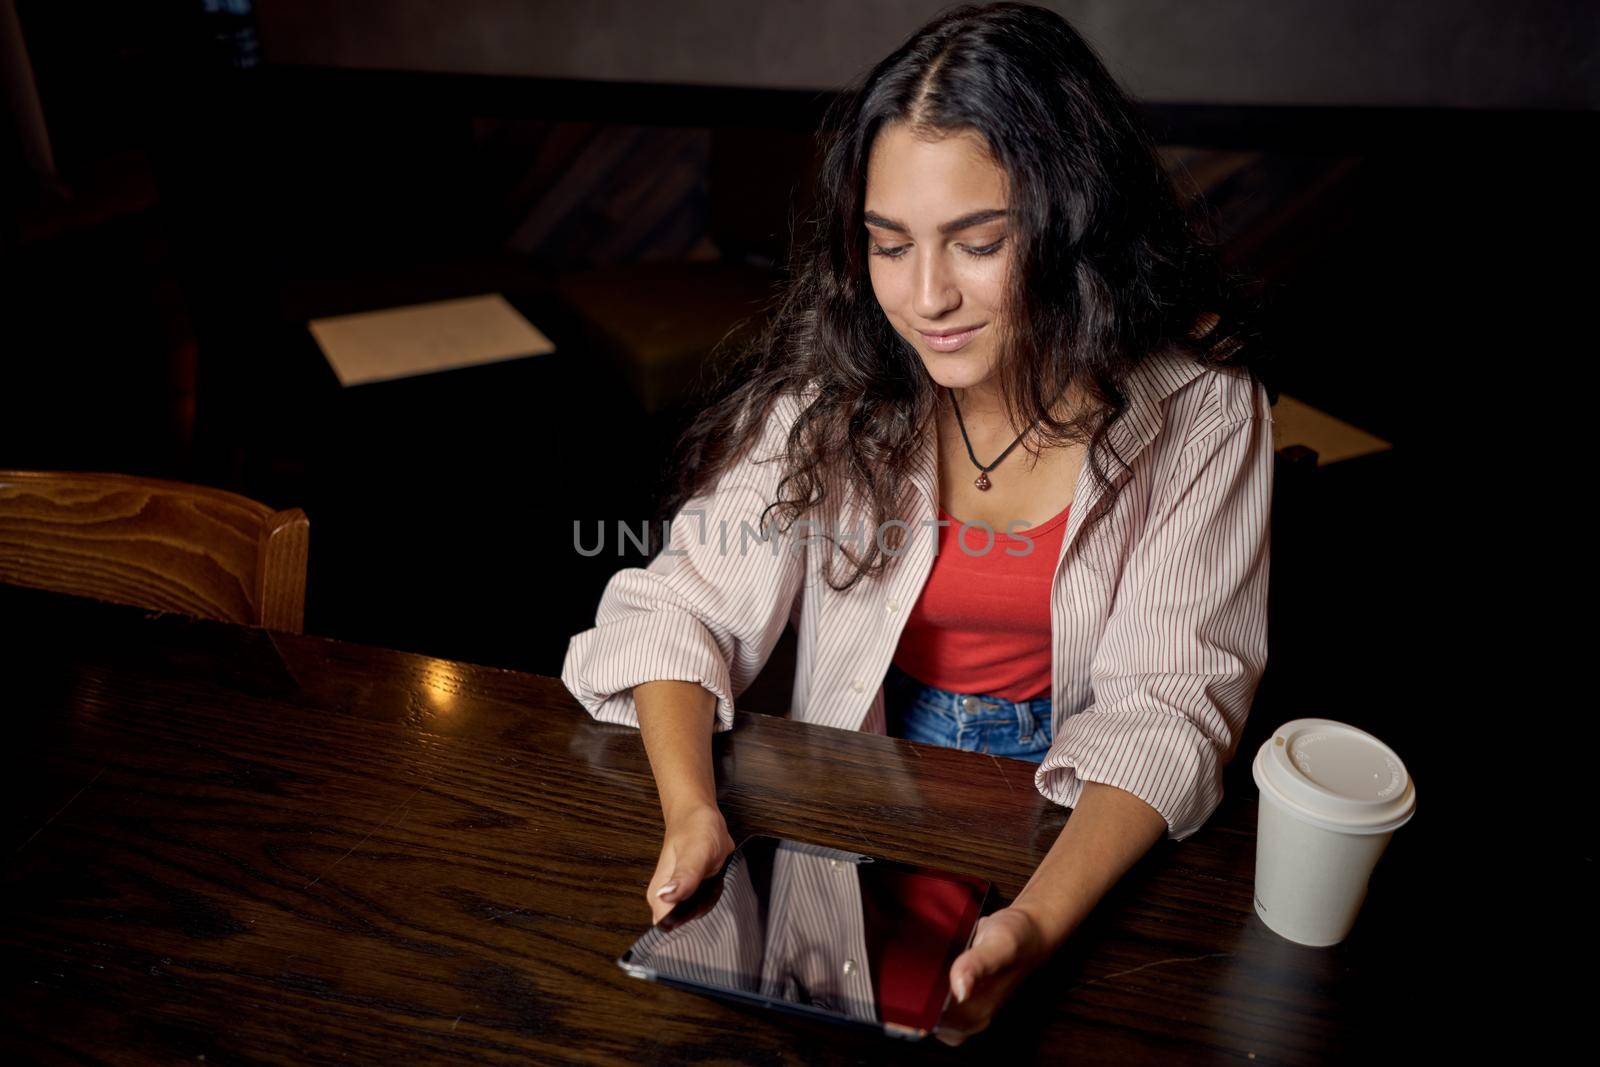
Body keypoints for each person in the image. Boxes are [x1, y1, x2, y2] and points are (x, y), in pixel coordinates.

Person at [562, 1, 1274, 1045]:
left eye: (978, 241)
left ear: (1072, 221)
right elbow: (678, 606)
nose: (925, 296)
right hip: (861, 781)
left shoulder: (1199, 409)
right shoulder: (843, 377)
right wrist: (692, 812)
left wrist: (1033, 920)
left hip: (1074, 813)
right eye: (888, 244)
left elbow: (1165, 710)